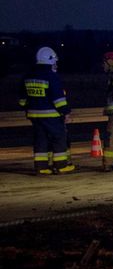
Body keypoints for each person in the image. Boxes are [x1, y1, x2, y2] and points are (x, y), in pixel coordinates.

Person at [19, 46, 74, 174]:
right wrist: (66, 111)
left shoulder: (28, 76)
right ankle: (60, 166)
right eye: (54, 61)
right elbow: (58, 99)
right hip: (51, 115)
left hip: (34, 115)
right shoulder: (52, 76)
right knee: (59, 138)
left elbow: (22, 99)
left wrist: (28, 107)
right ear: (50, 60)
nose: (55, 64)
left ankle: (41, 167)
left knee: (40, 140)